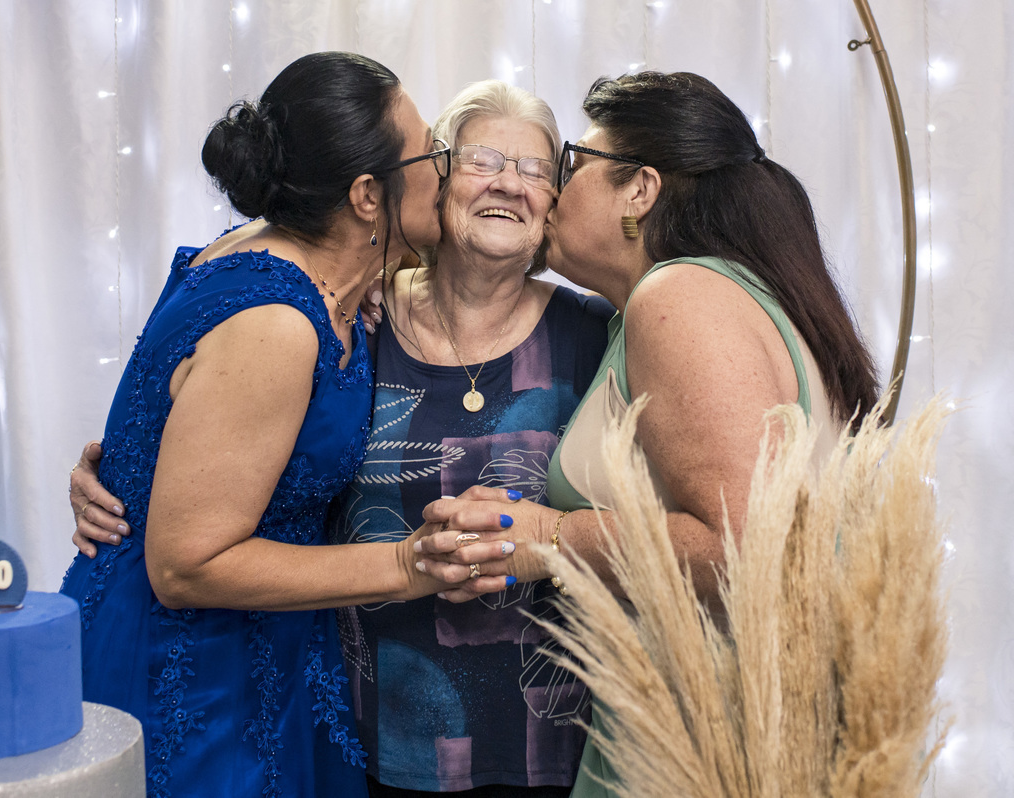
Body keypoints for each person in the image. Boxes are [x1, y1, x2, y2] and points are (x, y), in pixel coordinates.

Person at [70, 80, 614, 797]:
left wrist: (138, 470)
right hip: (270, 691)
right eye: (455, 157)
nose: (507, 184)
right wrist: (127, 477)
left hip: (527, 730)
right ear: (376, 193)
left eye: (537, 169)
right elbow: (203, 442)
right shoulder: (323, 311)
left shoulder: (586, 331)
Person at [411, 71, 880, 796]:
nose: (554, 191)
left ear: (640, 190)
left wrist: (546, 537)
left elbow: (743, 547)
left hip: (709, 744)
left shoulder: (680, 297)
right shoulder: (693, 299)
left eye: (573, 165)